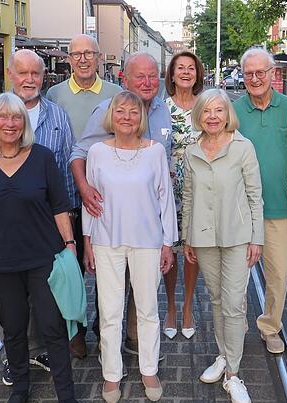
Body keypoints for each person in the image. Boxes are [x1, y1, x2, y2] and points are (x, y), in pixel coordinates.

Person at [0, 92, 88, 403]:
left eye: (16, 118)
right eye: (2, 117)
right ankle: (19, 388)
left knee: (53, 327)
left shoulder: (43, 157)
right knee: (14, 329)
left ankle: (67, 397)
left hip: (44, 257)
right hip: (1, 260)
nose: (10, 124)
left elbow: (60, 205)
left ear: (24, 123)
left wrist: (71, 246)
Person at [0, 49, 77, 384]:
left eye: (36, 74)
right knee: (11, 305)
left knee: (47, 297)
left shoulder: (58, 116)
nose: (29, 80)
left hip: (46, 224)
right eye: (23, 73)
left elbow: (63, 167)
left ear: (43, 77)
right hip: (4, 224)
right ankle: (13, 358)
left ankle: (45, 350)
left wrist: (69, 229)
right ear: (10, 73)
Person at [71, 53, 172, 358]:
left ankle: (135, 340)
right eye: (139, 76)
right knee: (112, 289)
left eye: (152, 76)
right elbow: (79, 151)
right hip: (112, 219)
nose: (147, 82)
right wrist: (84, 187)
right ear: (124, 79)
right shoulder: (112, 110)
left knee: (142, 287)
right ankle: (107, 343)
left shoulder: (162, 111)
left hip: (148, 219)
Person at [81, 90, 176, 403]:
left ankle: (149, 368)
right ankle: (112, 372)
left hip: (147, 241)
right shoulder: (96, 152)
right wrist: (87, 242)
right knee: (109, 311)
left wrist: (167, 243)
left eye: (133, 112)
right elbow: (90, 201)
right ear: (112, 116)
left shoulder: (155, 151)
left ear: (141, 118)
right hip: (106, 240)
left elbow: (165, 199)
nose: (127, 117)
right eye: (120, 111)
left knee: (148, 310)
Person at [183, 89, 264, 403]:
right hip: (203, 237)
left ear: (227, 114)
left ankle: (233, 373)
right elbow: (188, 196)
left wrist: (257, 237)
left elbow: (255, 195)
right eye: (207, 111)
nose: (213, 116)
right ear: (199, 116)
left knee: (233, 302)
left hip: (237, 236)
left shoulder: (243, 147)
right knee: (216, 299)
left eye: (219, 110)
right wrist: (187, 236)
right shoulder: (192, 151)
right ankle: (223, 354)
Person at [47, 34, 121, 358]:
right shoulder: (55, 94)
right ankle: (73, 329)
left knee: (105, 268)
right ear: (68, 58)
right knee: (69, 267)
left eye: (88, 53)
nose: (82, 59)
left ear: (99, 56)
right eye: (76, 54)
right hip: (64, 196)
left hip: (104, 197)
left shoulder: (116, 94)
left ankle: (104, 328)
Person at [232, 48, 287, 354]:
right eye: (248, 73)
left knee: (279, 273)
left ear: (273, 74)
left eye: (261, 72)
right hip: (239, 210)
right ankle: (237, 326)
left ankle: (271, 326)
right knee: (236, 274)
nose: (255, 79)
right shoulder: (233, 111)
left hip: (278, 207)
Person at [162, 51, 204, 340]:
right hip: (167, 187)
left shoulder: (206, 105)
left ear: (197, 73)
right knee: (169, 248)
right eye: (181, 68)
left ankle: (188, 305)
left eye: (191, 68)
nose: (186, 72)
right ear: (172, 74)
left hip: (200, 186)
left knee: (193, 247)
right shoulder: (160, 107)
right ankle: (170, 307)